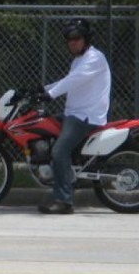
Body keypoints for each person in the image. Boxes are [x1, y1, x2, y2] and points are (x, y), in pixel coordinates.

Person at [38, 18, 111, 214]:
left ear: (86, 39)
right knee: (43, 126)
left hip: (86, 117)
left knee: (59, 151)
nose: (72, 42)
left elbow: (73, 80)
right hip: (74, 114)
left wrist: (50, 94)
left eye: (77, 38)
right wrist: (41, 90)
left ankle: (64, 201)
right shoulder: (79, 59)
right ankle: (60, 182)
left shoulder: (95, 58)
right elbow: (68, 80)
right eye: (69, 39)